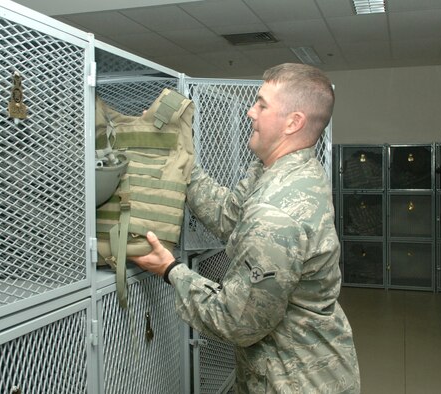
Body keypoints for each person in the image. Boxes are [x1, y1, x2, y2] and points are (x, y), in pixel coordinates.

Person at [130, 63, 360, 393]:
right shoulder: (282, 168)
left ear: (293, 122)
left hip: (296, 381)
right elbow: (229, 215)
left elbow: (236, 321)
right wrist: (183, 161)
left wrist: (170, 270)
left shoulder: (275, 212)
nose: (251, 112)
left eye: (262, 104)